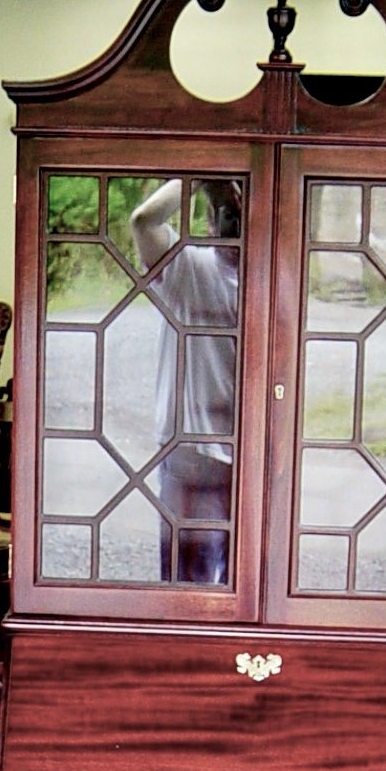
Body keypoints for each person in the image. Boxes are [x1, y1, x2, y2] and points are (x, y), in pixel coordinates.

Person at [130, 177, 242, 584]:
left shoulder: (272, 281)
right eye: (229, 214)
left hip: (253, 456)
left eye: (248, 214)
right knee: (185, 592)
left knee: (248, 590)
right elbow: (144, 221)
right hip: (192, 451)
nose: (237, 225)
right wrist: (199, 174)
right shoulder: (189, 268)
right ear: (211, 223)